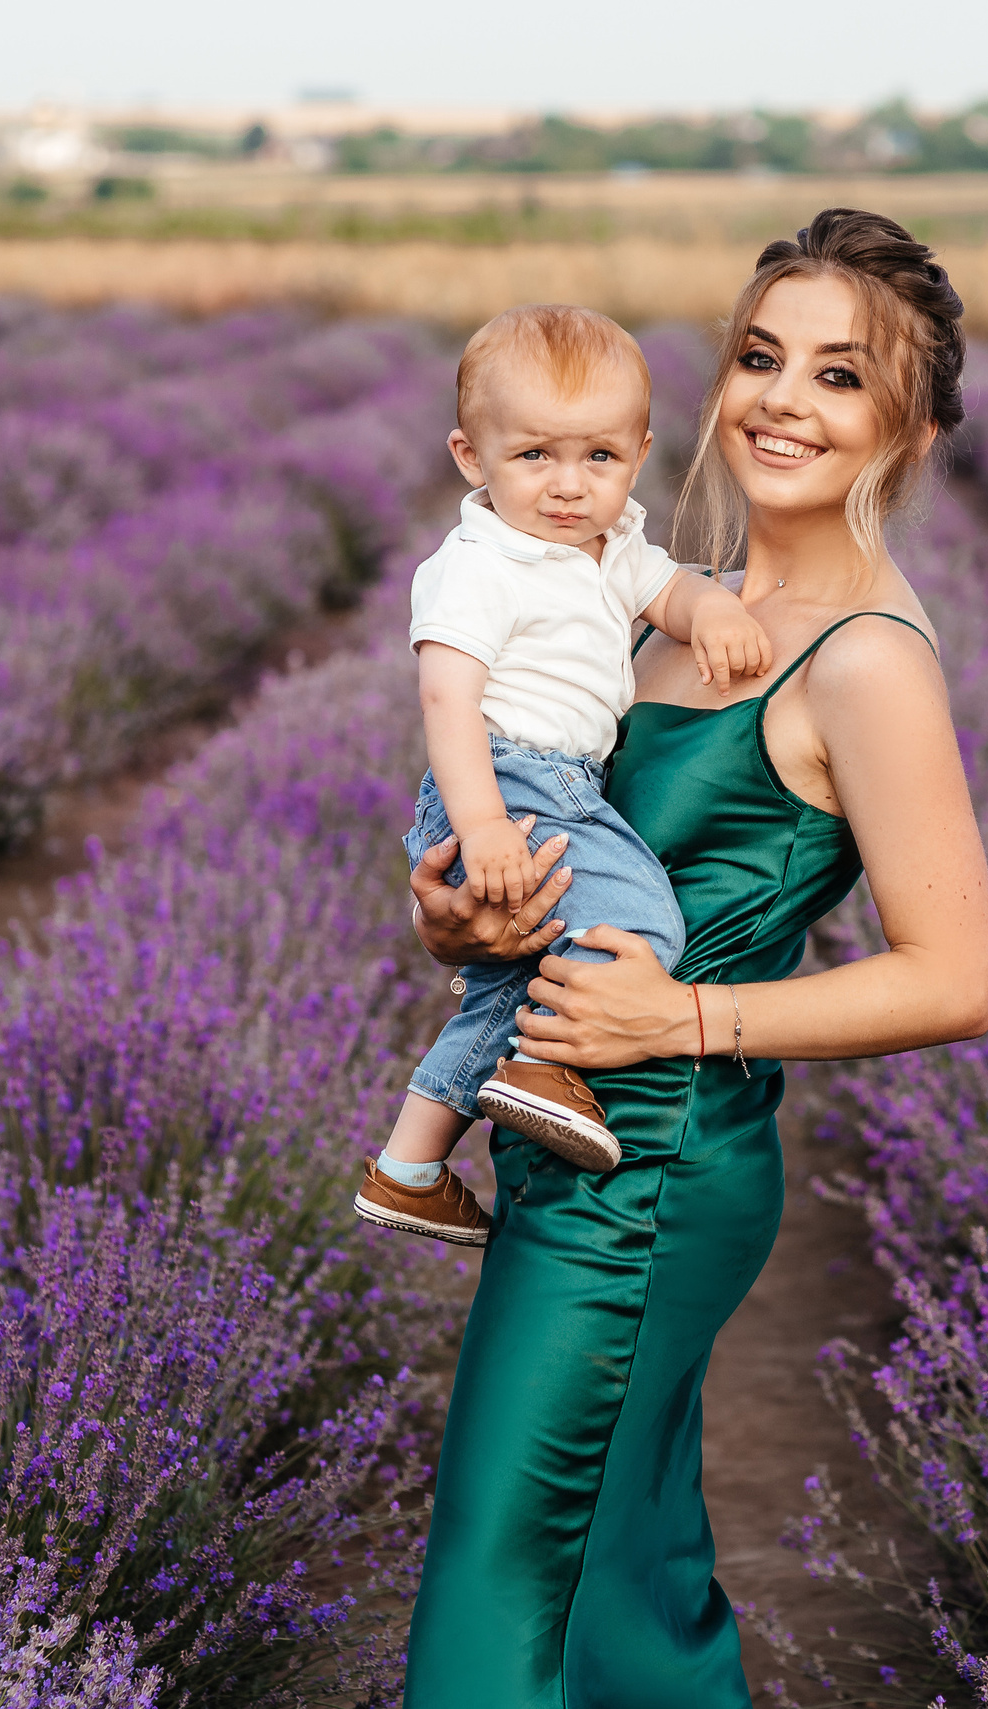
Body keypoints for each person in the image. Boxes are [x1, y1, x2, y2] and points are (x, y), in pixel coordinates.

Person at [397, 209, 988, 1707]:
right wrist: (460, 918)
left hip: (654, 1168)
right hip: (579, 1132)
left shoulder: (862, 655)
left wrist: (681, 1015)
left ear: (910, 429)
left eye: (841, 377)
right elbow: (569, 872)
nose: (783, 400)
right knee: (619, 1566)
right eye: (758, 355)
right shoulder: (660, 604)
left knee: (502, 1561)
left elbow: (954, 976)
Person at [354, 305, 776, 1246]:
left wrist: (707, 609)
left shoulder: (610, 542)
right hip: (511, 780)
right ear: (472, 456)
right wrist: (490, 824)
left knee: (507, 992)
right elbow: (448, 706)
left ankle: (410, 1165)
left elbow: (663, 587)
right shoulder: (477, 565)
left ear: (640, 454)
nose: (568, 486)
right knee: (642, 917)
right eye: (535, 456)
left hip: (551, 784)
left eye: (599, 458)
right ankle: (546, 1072)